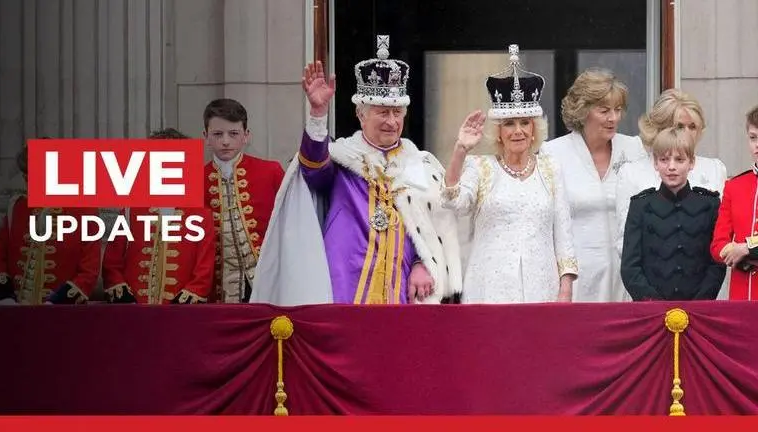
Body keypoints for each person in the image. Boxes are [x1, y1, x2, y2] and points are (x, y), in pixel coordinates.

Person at [253, 35, 462, 305]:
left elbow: (433, 225)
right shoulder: (343, 158)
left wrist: (424, 263)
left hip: (402, 289)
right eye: (382, 113)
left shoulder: (420, 164)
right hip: (345, 281)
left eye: (397, 113)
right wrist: (318, 114)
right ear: (361, 115)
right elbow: (314, 171)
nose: (391, 121)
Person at [441, 45, 577, 303]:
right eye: (509, 124)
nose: (518, 131)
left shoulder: (550, 168)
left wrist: (566, 287)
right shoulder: (480, 167)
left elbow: (564, 233)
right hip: (489, 288)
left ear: (535, 128)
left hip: (542, 287)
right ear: (498, 131)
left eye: (525, 122)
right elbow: (453, 202)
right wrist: (460, 150)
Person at [541, 68, 646, 302]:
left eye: (618, 110)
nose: (614, 118)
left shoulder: (634, 148)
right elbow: (550, 223)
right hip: (577, 276)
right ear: (583, 111)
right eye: (604, 110)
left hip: (627, 274)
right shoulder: (553, 152)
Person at [101, 128, 216, 304]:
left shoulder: (201, 214)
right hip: (134, 309)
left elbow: (204, 268)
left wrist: (191, 293)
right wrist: (120, 290)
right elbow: (112, 261)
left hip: (179, 313)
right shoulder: (131, 211)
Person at [615, 89, 728, 255]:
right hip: (650, 275)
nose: (687, 133)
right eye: (680, 126)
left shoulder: (715, 169)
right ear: (659, 127)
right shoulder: (632, 173)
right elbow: (625, 240)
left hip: (702, 273)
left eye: (693, 127)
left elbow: (722, 234)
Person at [621, 127, 725, 301]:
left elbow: (716, 264)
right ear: (655, 163)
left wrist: (699, 303)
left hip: (699, 308)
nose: (671, 167)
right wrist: (653, 303)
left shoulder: (709, 204)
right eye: (664, 159)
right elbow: (630, 266)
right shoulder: (640, 205)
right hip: (651, 309)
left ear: (691, 163)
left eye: (679, 160)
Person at [0, 141, 100, 305]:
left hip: (61, 315)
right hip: (14, 311)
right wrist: (4, 298)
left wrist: (56, 304)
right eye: (27, 175)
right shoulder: (17, 209)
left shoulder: (83, 212)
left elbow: (89, 270)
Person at [202, 99, 285, 303]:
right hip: (217, 287)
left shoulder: (271, 171)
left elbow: (288, 226)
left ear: (246, 135)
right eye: (218, 134)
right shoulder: (195, 179)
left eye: (234, 133)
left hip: (267, 280)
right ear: (206, 137)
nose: (226, 141)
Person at [710, 105, 758, 301]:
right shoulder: (734, 186)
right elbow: (718, 244)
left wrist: (746, 248)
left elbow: (743, 246)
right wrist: (732, 252)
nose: (757, 145)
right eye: (753, 137)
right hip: (741, 294)